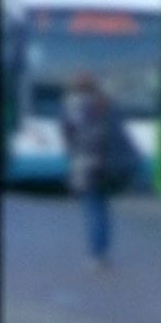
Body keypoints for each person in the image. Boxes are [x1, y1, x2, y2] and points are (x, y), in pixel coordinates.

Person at [62, 71, 130, 270]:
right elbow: (118, 134)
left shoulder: (70, 106)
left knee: (92, 208)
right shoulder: (107, 105)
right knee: (102, 208)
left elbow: (68, 135)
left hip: (85, 165)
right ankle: (102, 252)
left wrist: (74, 153)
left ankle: (95, 253)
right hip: (107, 164)